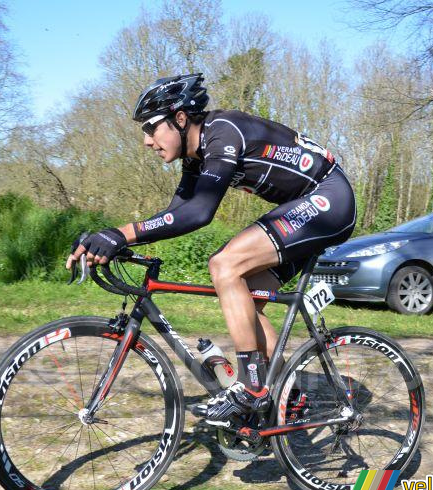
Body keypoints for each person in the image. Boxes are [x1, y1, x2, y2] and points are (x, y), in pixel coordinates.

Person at [67, 73, 356, 426]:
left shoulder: (223, 133)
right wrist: (114, 239)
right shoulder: (196, 157)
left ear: (180, 118)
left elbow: (200, 212)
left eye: (151, 128)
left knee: (225, 264)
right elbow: (176, 214)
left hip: (329, 199)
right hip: (305, 208)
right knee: (246, 298)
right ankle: (285, 397)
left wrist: (121, 235)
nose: (146, 141)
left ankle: (251, 389)